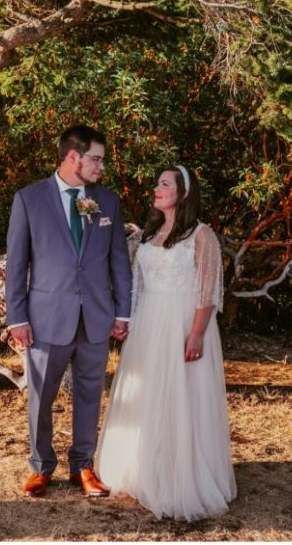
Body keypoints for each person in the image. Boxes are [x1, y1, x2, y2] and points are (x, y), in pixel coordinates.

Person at [96, 165, 236, 521]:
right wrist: (128, 321)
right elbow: (138, 285)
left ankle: (179, 474)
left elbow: (209, 291)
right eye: (157, 182)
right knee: (148, 396)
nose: (156, 188)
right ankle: (144, 468)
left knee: (179, 397)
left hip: (182, 323)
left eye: (164, 183)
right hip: (149, 324)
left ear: (184, 193)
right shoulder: (150, 233)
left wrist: (197, 333)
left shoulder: (202, 236)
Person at [6, 125, 133, 498]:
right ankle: (40, 466)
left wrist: (122, 312)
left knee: (90, 394)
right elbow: (17, 263)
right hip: (46, 318)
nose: (101, 167)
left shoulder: (107, 202)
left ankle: (84, 466)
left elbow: (119, 262)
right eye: (96, 159)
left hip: (96, 316)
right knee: (41, 397)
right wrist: (17, 317)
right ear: (72, 157)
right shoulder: (29, 199)